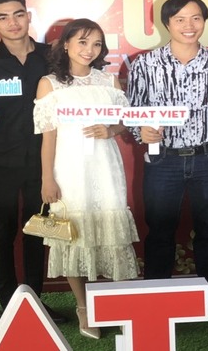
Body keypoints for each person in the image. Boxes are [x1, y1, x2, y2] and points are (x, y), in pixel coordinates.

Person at [126, 0, 208, 322]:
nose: (189, 25)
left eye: (196, 18)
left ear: (204, 22)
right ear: (166, 24)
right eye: (180, 19)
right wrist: (141, 131)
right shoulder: (145, 64)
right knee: (160, 231)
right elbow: (133, 111)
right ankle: (155, 298)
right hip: (162, 160)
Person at [33, 18, 140, 339]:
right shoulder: (49, 84)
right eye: (82, 42)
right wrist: (47, 179)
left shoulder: (109, 81)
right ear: (65, 44)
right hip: (68, 170)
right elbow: (48, 138)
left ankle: (120, 306)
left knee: (112, 234)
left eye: (96, 44)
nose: (89, 50)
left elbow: (126, 120)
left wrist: (111, 129)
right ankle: (83, 307)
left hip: (106, 168)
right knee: (73, 236)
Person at [0, 0, 66, 323]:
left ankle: (35, 302)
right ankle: (10, 303)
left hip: (46, 159)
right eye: (3, 17)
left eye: (18, 14)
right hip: (2, 159)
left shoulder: (52, 56)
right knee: (2, 231)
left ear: (28, 16)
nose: (12, 23)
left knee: (38, 230)